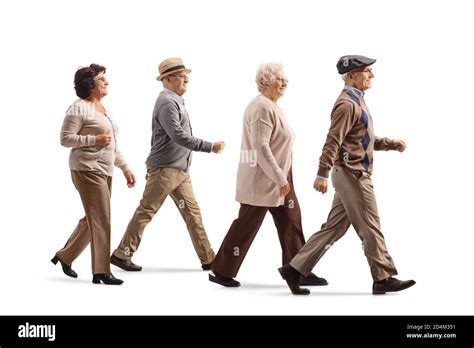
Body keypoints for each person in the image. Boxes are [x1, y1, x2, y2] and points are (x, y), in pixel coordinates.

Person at [279, 55, 416, 295]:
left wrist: (391, 144)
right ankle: (382, 277)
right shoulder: (346, 103)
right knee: (370, 225)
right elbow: (333, 140)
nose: (371, 75)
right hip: (353, 175)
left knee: (333, 228)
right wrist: (321, 173)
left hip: (348, 174)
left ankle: (294, 270)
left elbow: (360, 140)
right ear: (351, 76)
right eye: (366, 71)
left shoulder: (357, 101)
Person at [209, 63, 327, 287]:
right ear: (266, 81)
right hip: (262, 179)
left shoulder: (273, 106)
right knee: (247, 224)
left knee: (292, 221)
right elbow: (261, 147)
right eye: (280, 79)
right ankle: (221, 270)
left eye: (286, 80)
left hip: (281, 175)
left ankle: (298, 269)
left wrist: (284, 177)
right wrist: (280, 179)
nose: (285, 83)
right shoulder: (261, 107)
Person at [110, 58, 224, 272]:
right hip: (165, 170)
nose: (186, 80)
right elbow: (178, 136)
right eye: (182, 76)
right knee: (146, 212)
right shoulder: (166, 102)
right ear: (169, 79)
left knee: (192, 214)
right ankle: (121, 254)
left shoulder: (175, 101)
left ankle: (208, 259)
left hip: (179, 170)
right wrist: (210, 147)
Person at [53, 64, 136, 285]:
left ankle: (65, 255)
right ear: (90, 83)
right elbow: (65, 138)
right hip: (86, 168)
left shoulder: (102, 108)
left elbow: (112, 144)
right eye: (102, 78)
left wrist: (125, 167)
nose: (106, 82)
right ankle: (101, 271)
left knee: (95, 217)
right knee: (101, 217)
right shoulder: (78, 108)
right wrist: (94, 140)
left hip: (105, 170)